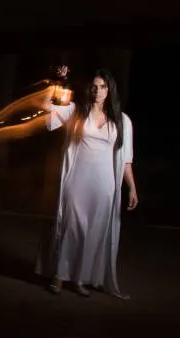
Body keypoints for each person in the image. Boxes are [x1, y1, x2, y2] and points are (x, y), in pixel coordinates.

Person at [38, 66, 138, 297]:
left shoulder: (122, 121)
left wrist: (132, 187)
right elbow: (48, 117)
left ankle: (80, 279)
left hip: (105, 186)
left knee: (93, 232)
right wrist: (57, 83)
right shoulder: (76, 111)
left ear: (109, 90)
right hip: (77, 179)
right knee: (72, 226)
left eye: (102, 86)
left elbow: (126, 160)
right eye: (94, 86)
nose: (98, 90)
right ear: (89, 89)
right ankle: (59, 276)